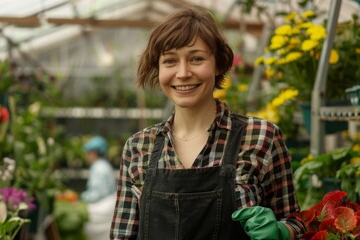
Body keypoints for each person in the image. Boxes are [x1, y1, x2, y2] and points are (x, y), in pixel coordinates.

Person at [110, 6, 305, 240]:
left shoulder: (262, 136)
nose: (183, 73)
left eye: (197, 58)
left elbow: (296, 222)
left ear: (219, 64)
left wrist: (283, 232)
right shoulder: (139, 146)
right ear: (158, 68)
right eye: (170, 61)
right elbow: (122, 236)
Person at [81, 136, 117, 240]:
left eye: (87, 153)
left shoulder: (98, 167)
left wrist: (81, 198)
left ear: (94, 153)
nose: (86, 156)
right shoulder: (104, 165)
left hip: (102, 209)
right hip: (108, 208)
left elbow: (97, 193)